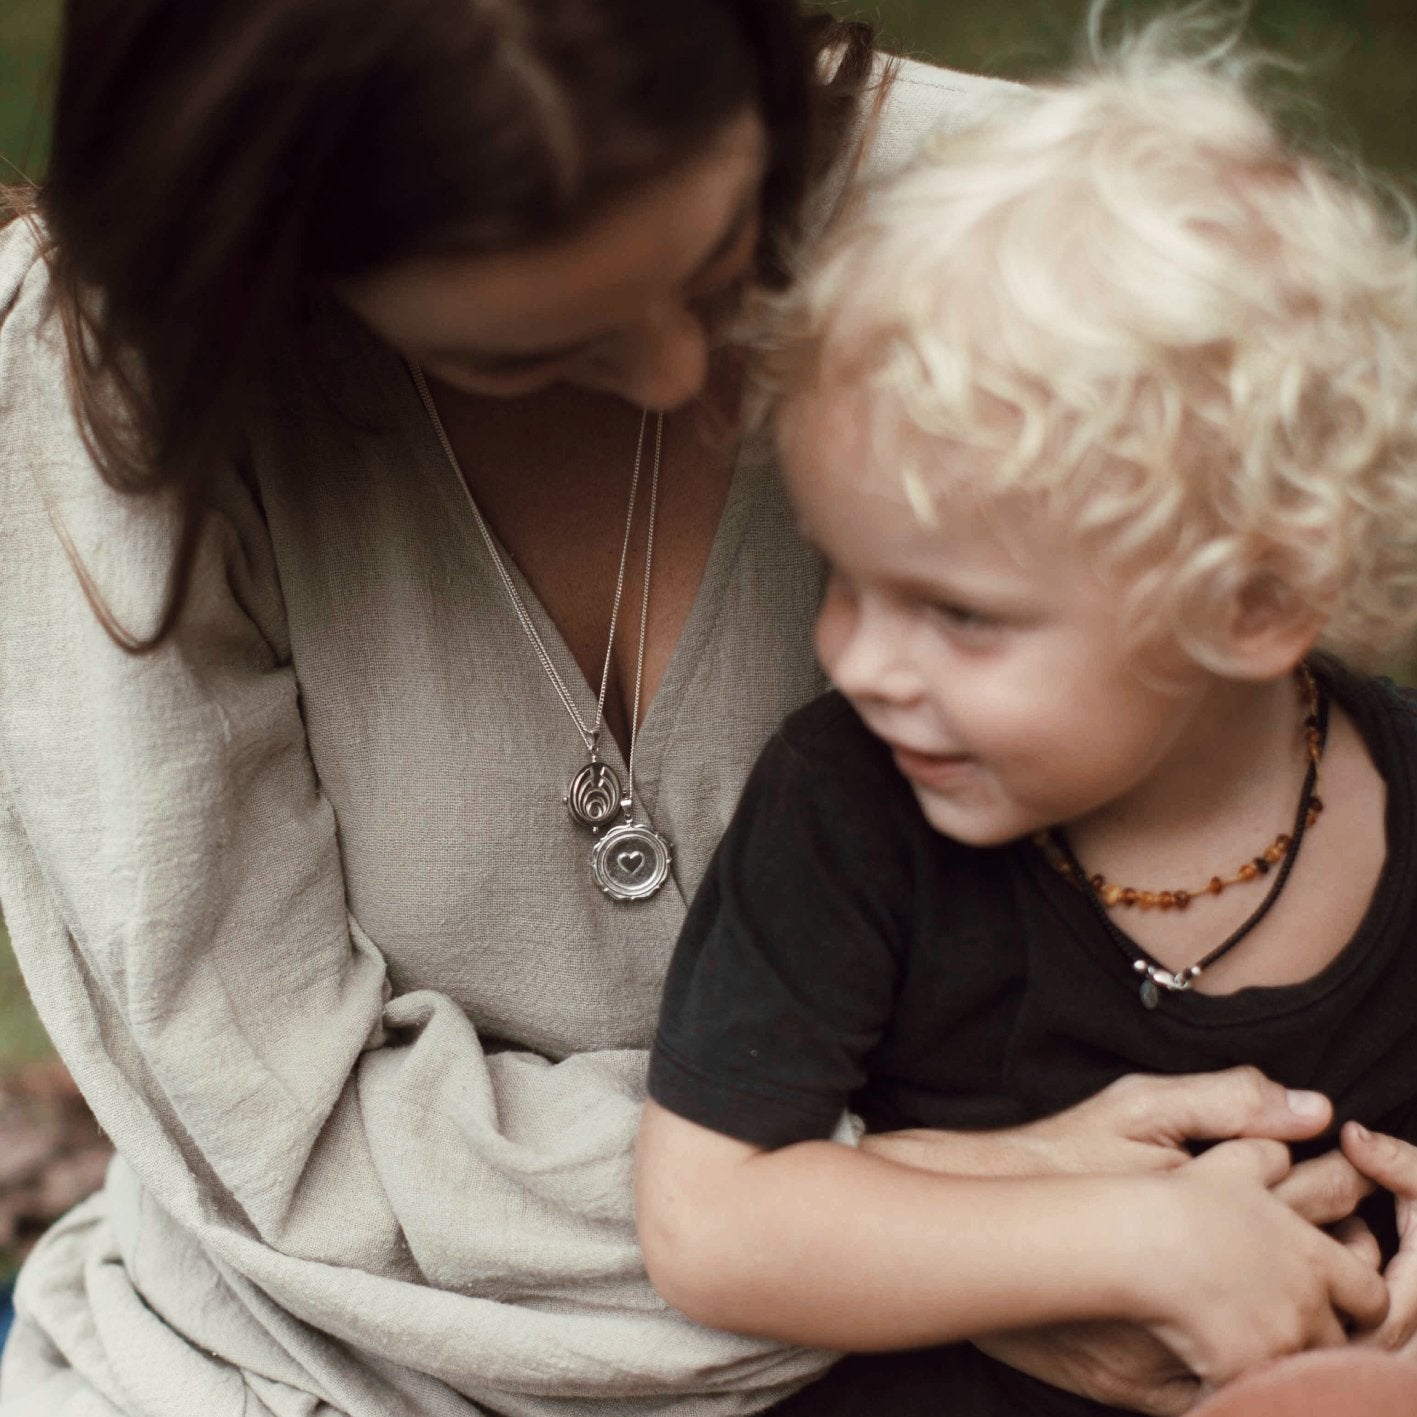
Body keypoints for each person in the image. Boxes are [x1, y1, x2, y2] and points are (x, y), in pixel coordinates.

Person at [0, 2, 1412, 1414]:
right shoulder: (101, 403)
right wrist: (978, 1240)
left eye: (729, 255)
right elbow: (283, 1142)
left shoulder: (1033, 264)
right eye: (525, 347)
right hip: (340, 1349)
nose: (695, 384)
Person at [636, 19, 1417, 1417]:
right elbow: (709, 1217)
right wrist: (1132, 1240)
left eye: (959, 612)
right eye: (843, 576)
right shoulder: (843, 808)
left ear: (1249, 603)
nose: (856, 657)